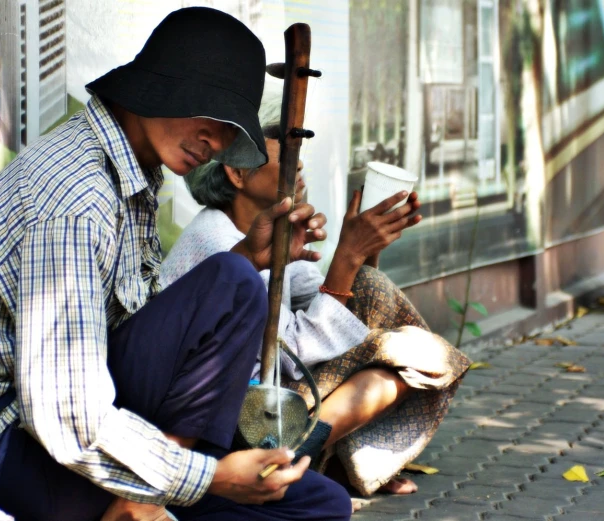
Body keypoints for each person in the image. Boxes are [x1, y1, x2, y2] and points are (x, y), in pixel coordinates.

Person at [0, 8, 352, 521]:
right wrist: (211, 477)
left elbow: (147, 330)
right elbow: (66, 417)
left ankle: (141, 502)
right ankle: (142, 504)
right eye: (214, 119)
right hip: (11, 445)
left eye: (231, 134)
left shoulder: (133, 176)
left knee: (320, 505)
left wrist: (248, 254)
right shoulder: (73, 199)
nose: (218, 144)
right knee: (233, 282)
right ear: (165, 86)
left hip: (98, 427)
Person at [160, 93, 471, 500]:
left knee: (376, 296)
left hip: (278, 389)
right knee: (415, 357)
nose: (300, 165)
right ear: (237, 173)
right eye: (286, 152)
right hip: (239, 418)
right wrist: (348, 255)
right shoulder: (217, 241)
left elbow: (343, 302)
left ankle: (347, 462)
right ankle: (297, 463)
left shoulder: (268, 227)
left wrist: (366, 244)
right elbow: (291, 354)